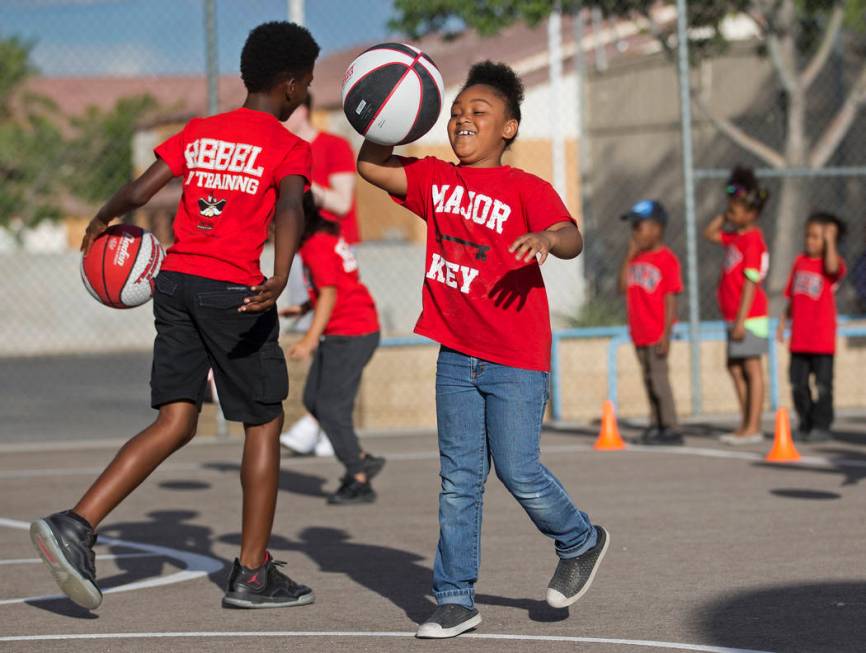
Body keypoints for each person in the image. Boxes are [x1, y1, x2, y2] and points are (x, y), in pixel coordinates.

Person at [29, 21, 320, 610]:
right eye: (308, 84)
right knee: (262, 423)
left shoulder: (203, 131)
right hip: (232, 291)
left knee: (176, 420)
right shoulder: (287, 145)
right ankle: (253, 573)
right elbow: (291, 203)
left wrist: (101, 219)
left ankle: (77, 523)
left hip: (176, 284)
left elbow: (140, 191)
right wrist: (283, 271)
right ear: (291, 85)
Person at [357, 60, 608, 639]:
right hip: (456, 355)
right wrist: (385, 112)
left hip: (516, 356)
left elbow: (571, 237)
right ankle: (453, 598)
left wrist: (545, 237)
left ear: (510, 128)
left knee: (519, 470)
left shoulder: (527, 188)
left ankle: (580, 539)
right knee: (459, 479)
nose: (463, 118)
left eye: (480, 111)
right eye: (457, 111)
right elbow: (371, 166)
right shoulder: (434, 180)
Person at [281, 192, 384, 504]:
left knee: (331, 409)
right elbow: (333, 285)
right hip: (344, 329)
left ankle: (358, 478)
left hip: (351, 332)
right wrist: (302, 308)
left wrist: (309, 338)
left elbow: (329, 293)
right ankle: (361, 457)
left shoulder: (315, 245)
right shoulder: (321, 236)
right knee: (314, 399)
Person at [280, 93, 361, 457]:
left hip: (331, 249)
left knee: (337, 335)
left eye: (288, 109)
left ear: (304, 109)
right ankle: (322, 421)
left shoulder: (334, 146)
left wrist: (307, 186)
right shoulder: (281, 147)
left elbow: (343, 203)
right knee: (316, 335)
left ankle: (327, 422)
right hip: (301, 249)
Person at [704, 165, 770, 445]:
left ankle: (753, 426)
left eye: (737, 210)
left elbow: (750, 284)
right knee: (734, 367)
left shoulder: (753, 240)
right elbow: (710, 233)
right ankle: (746, 422)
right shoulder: (737, 237)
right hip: (733, 316)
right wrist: (728, 211)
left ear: (752, 213)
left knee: (751, 368)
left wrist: (742, 320)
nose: (731, 214)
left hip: (750, 316)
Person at [777, 212, 847, 442]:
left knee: (823, 385)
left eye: (817, 237)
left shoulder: (830, 265)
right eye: (808, 236)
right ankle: (805, 422)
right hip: (799, 339)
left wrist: (830, 241)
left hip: (822, 340)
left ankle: (822, 424)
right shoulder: (799, 262)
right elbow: (792, 297)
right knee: (797, 383)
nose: (810, 241)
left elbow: (832, 265)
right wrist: (782, 322)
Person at [618, 199, 683, 445]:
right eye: (633, 227)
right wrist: (628, 255)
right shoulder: (635, 259)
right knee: (648, 379)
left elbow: (670, 298)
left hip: (657, 332)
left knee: (659, 380)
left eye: (639, 226)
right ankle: (656, 423)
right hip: (639, 332)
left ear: (657, 228)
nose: (635, 232)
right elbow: (622, 286)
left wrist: (666, 332)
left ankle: (671, 426)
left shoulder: (667, 260)